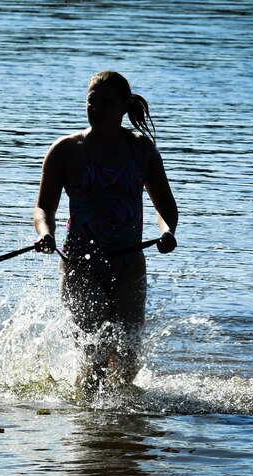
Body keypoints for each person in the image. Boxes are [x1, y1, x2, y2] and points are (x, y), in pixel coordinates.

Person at [33, 71, 178, 389]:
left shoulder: (141, 151)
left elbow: (165, 207)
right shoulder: (66, 151)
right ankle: (93, 432)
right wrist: (46, 234)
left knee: (128, 362)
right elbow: (44, 209)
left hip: (129, 265)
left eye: (106, 103)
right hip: (80, 265)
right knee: (96, 357)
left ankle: (111, 423)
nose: (96, 108)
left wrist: (167, 232)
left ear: (125, 106)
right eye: (92, 101)